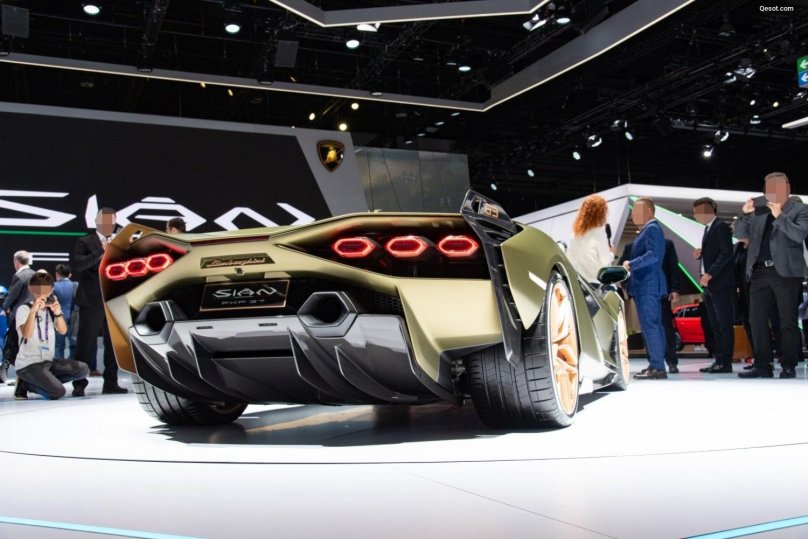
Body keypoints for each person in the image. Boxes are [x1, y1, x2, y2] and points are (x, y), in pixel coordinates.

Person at [735, 172, 808, 379]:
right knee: (756, 320)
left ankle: (788, 365)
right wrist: (744, 214)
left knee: (787, 320)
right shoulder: (760, 211)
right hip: (759, 271)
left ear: (787, 187)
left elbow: (799, 234)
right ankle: (762, 365)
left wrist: (780, 216)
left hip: (786, 272)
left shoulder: (800, 209)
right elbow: (740, 234)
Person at [70, 207, 128, 394]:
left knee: (114, 345)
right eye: (104, 220)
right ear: (97, 221)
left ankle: (111, 382)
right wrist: (101, 251)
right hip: (91, 299)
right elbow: (79, 264)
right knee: (86, 344)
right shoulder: (85, 241)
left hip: (114, 299)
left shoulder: (120, 243)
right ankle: (79, 384)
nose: (108, 224)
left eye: (111, 221)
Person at [13, 272, 89, 399]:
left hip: (48, 361)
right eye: (38, 290)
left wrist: (57, 313)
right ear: (30, 289)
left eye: (45, 291)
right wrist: (33, 311)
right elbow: (26, 334)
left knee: (83, 369)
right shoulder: (24, 309)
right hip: (29, 364)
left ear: (51, 290)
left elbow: (63, 331)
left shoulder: (51, 310)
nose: (42, 294)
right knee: (58, 392)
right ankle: (25, 384)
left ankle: (42, 382)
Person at [623, 197, 668, 380]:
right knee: (651, 325)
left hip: (648, 285)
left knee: (651, 325)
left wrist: (631, 264)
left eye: (637, 211)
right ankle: (655, 364)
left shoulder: (652, 229)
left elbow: (654, 255)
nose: (633, 215)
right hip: (645, 285)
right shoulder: (648, 230)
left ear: (649, 211)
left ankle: (658, 367)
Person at [692, 197, 736, 374]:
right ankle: (719, 360)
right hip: (709, 285)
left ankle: (725, 362)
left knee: (724, 324)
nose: (695, 215)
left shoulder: (720, 226)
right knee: (715, 325)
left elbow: (726, 253)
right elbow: (717, 252)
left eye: (697, 211)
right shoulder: (708, 229)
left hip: (720, 283)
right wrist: (701, 254)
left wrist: (710, 274)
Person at [565, 195, 614, 283]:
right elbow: (606, 263)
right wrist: (611, 253)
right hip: (595, 285)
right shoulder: (599, 233)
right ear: (602, 213)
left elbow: (569, 261)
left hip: (578, 284)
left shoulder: (575, 235)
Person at [661, 239, 681, 373]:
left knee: (666, 326)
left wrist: (675, 288)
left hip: (663, 292)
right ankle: (654, 362)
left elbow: (673, 266)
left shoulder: (667, 244)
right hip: (643, 292)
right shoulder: (634, 245)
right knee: (647, 328)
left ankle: (671, 361)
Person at [52, 263, 78, 360]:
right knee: (74, 344)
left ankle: (60, 364)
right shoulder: (76, 285)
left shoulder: (53, 286)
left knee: (58, 345)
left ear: (57, 274)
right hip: (74, 317)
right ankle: (71, 364)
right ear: (69, 274)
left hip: (59, 317)